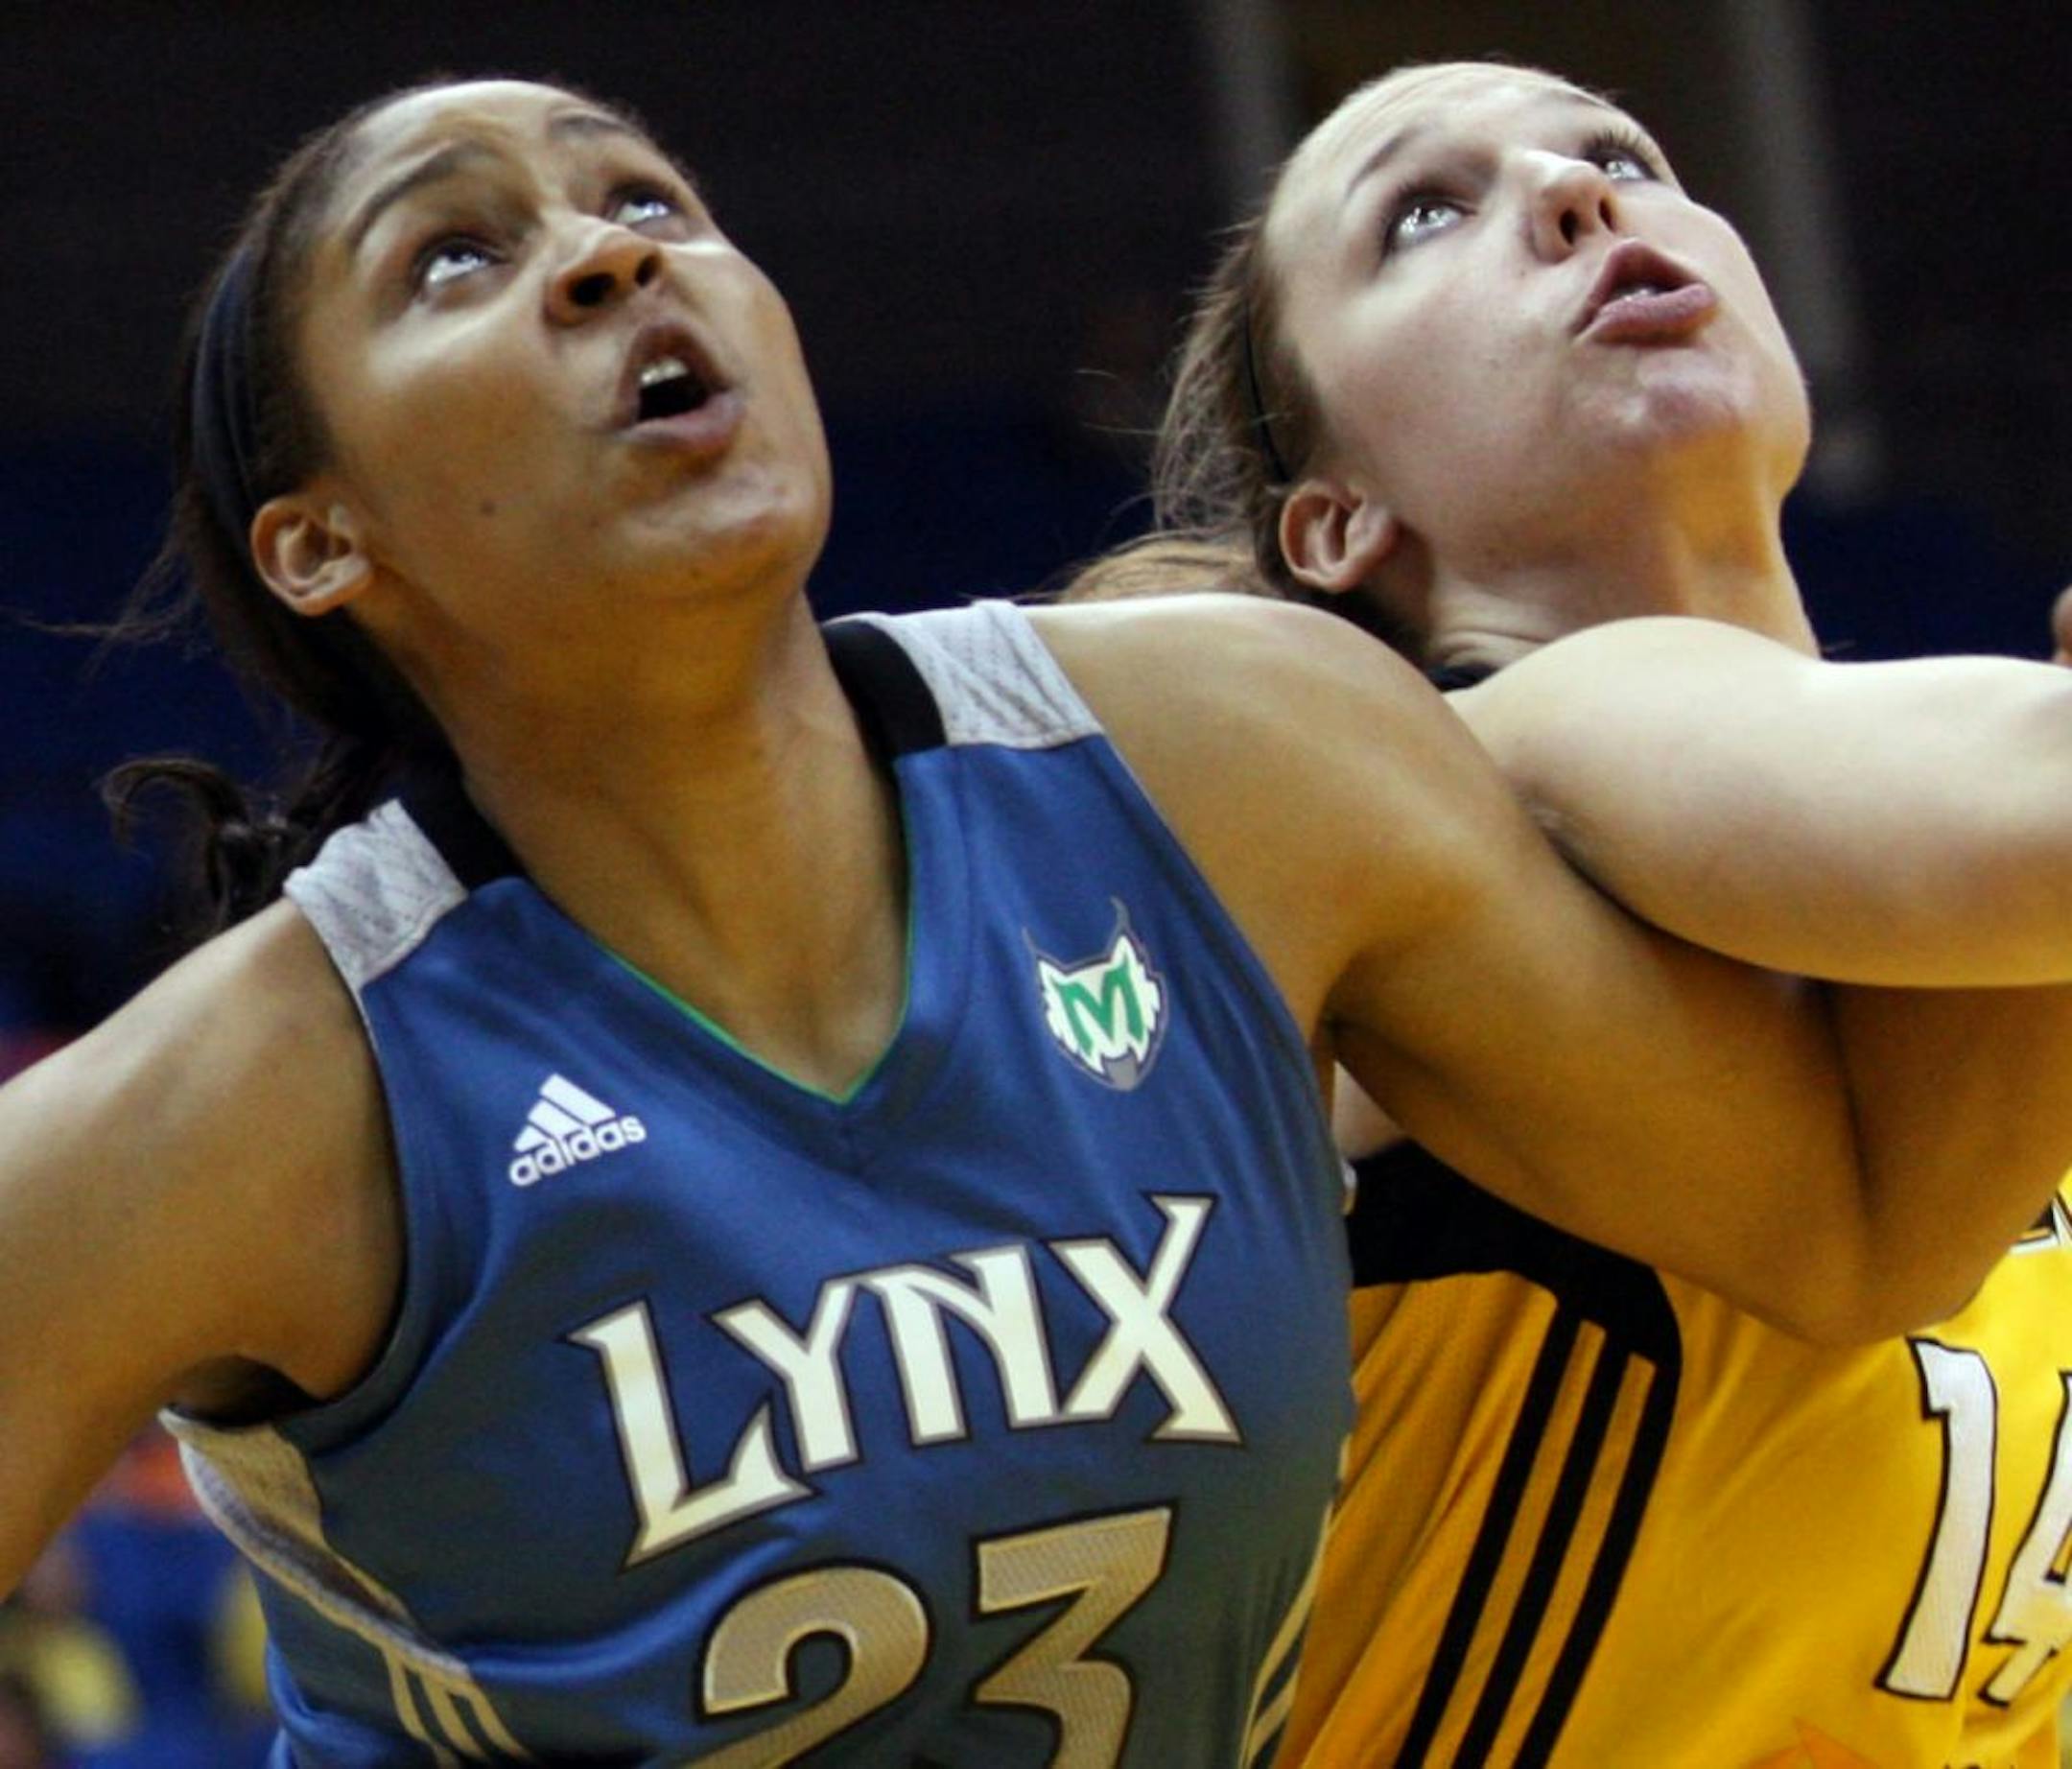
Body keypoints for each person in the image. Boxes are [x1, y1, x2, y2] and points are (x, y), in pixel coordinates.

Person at [1, 72, 2069, 1769]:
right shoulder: (254, 1101)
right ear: (317, 541)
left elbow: (1861, 1221)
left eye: (650, 194)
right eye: (461, 256)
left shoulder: (1243, 759)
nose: (614, 252)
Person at [1069, 58, 2072, 1767]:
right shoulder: (1459, 780)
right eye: (1426, 214)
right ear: (1337, 521)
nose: (1575, 193)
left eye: (1621, 150)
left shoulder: (1943, 833)